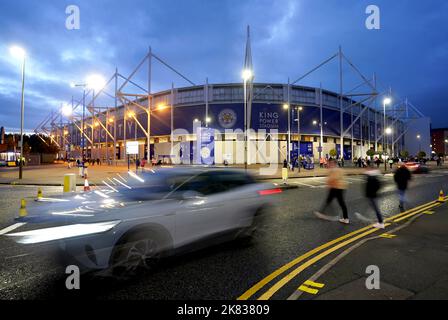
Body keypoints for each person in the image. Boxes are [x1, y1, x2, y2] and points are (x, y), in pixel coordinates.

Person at [314, 160, 349, 224]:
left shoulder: (336, 170)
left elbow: (333, 178)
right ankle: (346, 218)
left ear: (334, 164)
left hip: (337, 188)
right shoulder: (337, 170)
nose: (329, 165)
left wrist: (329, 182)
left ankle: (346, 218)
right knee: (330, 201)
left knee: (337, 202)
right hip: (337, 188)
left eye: (331, 164)